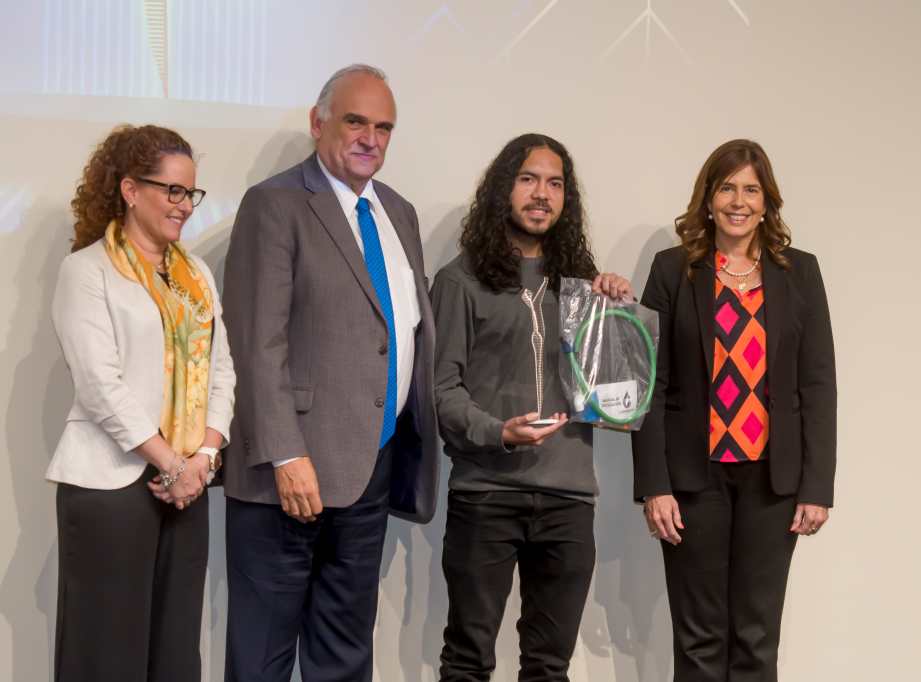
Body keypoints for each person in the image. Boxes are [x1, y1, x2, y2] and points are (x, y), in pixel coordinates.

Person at [221, 64, 438, 682]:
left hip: (371, 469)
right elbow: (256, 341)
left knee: (344, 652)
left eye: (384, 127)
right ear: (318, 124)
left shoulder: (399, 213)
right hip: (289, 478)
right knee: (263, 655)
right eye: (355, 121)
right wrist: (287, 455)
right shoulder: (276, 203)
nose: (371, 137)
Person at [632, 138, 837, 681]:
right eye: (727, 188)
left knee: (756, 637)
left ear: (767, 202)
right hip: (693, 482)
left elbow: (818, 384)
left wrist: (817, 487)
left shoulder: (801, 273)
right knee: (699, 640)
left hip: (774, 482)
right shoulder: (673, 270)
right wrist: (655, 484)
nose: (738, 201)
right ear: (708, 197)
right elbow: (651, 380)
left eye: (751, 189)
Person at [431, 133, 634, 682]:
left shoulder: (581, 288)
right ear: (503, 189)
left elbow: (615, 395)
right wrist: (500, 432)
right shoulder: (459, 280)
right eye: (527, 179)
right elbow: (441, 390)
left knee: (548, 668)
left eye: (554, 183)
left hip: (569, 500)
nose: (541, 194)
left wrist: (616, 310)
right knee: (468, 661)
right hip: (486, 496)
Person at [48, 124, 235, 681]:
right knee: (106, 653)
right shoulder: (87, 271)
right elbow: (100, 386)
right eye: (171, 191)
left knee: (175, 651)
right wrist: (171, 462)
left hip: (187, 488)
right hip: (111, 485)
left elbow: (222, 368)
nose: (184, 206)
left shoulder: (195, 274)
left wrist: (202, 459)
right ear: (130, 190)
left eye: (190, 193)